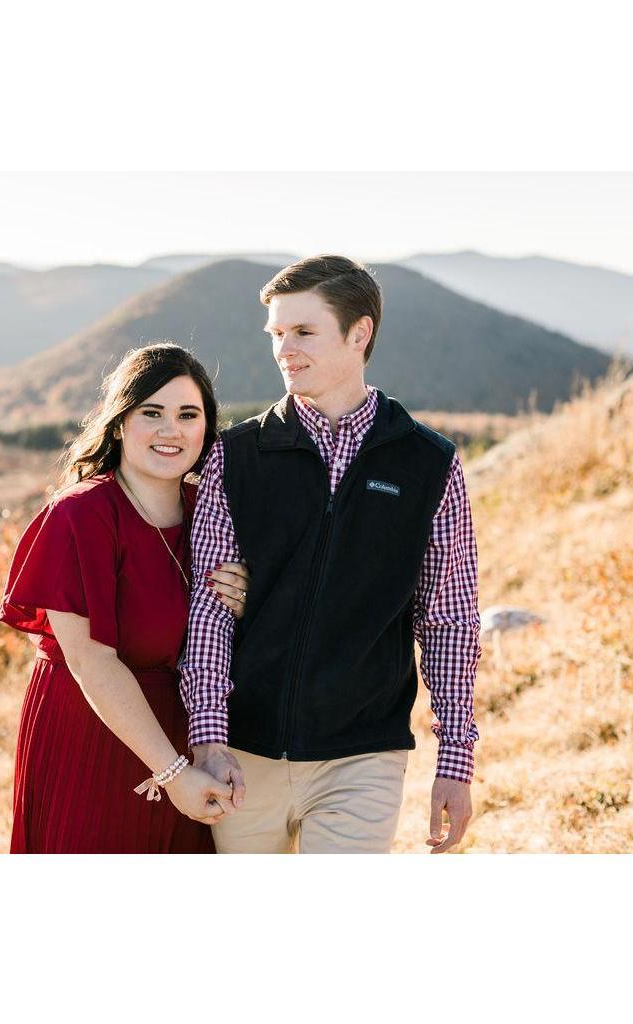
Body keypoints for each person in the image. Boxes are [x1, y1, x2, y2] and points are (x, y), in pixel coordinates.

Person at [179, 255, 481, 854]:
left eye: (303, 331)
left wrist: (455, 760)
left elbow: (448, 620)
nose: (284, 350)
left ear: (359, 332)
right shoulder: (234, 458)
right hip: (244, 754)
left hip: (363, 755)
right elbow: (211, 610)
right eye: (276, 334)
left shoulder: (428, 464)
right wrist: (209, 737)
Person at [0, 343, 251, 853]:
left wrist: (246, 603)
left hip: (186, 733)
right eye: (151, 413)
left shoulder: (213, 513)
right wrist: (173, 772)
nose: (170, 430)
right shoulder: (80, 515)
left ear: (206, 429)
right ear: (119, 423)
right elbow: (90, 661)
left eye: (188, 415)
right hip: (92, 732)